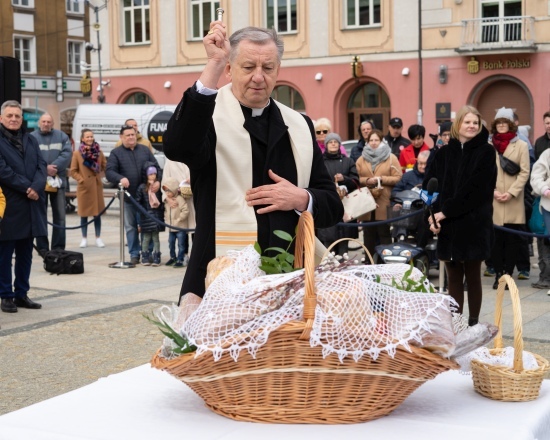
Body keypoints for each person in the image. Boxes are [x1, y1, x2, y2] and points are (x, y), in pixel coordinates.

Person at [163, 24, 343, 299]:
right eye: (248, 67)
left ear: (278, 70)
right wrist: (213, 63)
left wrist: (301, 198)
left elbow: (332, 206)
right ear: (229, 69)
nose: (259, 77)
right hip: (216, 274)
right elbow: (177, 147)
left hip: (288, 279)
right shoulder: (208, 119)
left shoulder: (299, 125)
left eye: (268, 68)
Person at [423, 105, 497, 326]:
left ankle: (474, 324)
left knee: (473, 275)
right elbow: (430, 186)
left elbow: (476, 190)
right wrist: (433, 218)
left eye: (476, 122)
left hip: (474, 223)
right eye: (468, 122)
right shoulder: (444, 153)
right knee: (453, 276)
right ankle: (456, 324)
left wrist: (445, 212)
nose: (472, 126)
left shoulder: (486, 152)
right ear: (458, 125)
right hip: (448, 225)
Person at [0, 100, 47, 313]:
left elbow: (41, 165)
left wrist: (36, 186)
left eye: (17, 116)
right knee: (4, 255)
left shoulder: (30, 139)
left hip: (31, 205)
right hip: (9, 206)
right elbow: (3, 171)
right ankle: (6, 296)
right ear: (1, 118)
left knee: (26, 254)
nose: (13, 119)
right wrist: (27, 187)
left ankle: (21, 293)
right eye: (9, 115)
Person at [106, 124, 162, 265]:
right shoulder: (116, 153)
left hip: (145, 198)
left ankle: (147, 253)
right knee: (131, 227)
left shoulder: (144, 150)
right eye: (128, 135)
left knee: (147, 226)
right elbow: (109, 172)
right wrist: (120, 178)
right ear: (121, 137)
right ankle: (134, 254)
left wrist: (158, 181)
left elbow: (156, 168)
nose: (131, 137)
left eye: (133, 134)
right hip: (128, 197)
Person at [489, 107, 530, 288]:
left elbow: (525, 172)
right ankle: (498, 273)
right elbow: (484, 172)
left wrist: (511, 192)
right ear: (495, 125)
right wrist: (493, 191)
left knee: (513, 241)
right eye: (499, 123)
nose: (502, 125)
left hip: (513, 200)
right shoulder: (489, 146)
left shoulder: (521, 145)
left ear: (511, 125)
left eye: (505, 122)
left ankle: (508, 274)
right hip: (495, 199)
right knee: (496, 241)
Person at [355, 129, 402, 257]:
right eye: (371, 140)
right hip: (367, 201)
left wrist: (382, 179)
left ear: (381, 141)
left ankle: (386, 260)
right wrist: (367, 180)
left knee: (384, 233)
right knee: (368, 234)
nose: (374, 143)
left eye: (377, 140)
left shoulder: (391, 157)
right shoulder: (361, 159)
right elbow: (355, 178)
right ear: (367, 142)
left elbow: (398, 177)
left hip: (384, 199)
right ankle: (368, 260)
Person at [31, 113, 72, 254]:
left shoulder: (62, 136)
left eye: (49, 121)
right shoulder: (32, 138)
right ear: (39, 123)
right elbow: (30, 156)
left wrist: (53, 167)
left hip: (58, 182)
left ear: (53, 123)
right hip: (39, 182)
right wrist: (45, 168)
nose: (46, 124)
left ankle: (58, 247)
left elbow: (67, 154)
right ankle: (42, 247)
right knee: (40, 216)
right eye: (43, 121)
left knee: (60, 216)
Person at [316, 133, 359, 256]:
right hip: (327, 205)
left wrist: (344, 179)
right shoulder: (320, 162)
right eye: (330, 142)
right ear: (326, 145)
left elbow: (355, 182)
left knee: (343, 246)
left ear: (340, 145)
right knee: (327, 249)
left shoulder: (348, 161)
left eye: (335, 142)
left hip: (345, 207)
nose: (333, 144)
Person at [70, 128, 107, 248]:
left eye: (91, 136)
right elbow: (73, 171)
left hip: (96, 186)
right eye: (87, 137)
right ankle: (84, 238)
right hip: (84, 187)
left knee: (97, 214)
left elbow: (104, 166)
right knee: (84, 214)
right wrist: (82, 180)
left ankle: (98, 238)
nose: (90, 139)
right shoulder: (77, 153)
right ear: (82, 139)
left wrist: (100, 171)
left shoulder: (99, 152)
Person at [162, 158, 195, 267]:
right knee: (182, 231)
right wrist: (167, 198)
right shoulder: (170, 161)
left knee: (195, 229)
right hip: (176, 201)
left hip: (193, 199)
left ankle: (195, 255)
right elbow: (165, 181)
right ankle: (182, 256)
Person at [136, 164, 164, 266]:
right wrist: (144, 212)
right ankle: (145, 256)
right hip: (146, 217)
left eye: (154, 174)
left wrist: (160, 211)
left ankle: (157, 255)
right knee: (146, 238)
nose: (152, 176)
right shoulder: (142, 188)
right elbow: (138, 202)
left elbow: (161, 200)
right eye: (150, 174)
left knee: (156, 238)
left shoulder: (157, 187)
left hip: (156, 216)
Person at [530, 149, 550, 291]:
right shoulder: (547, 154)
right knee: (545, 242)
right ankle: (545, 277)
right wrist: (545, 189)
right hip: (548, 205)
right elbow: (536, 176)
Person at [162, 176, 190, 268]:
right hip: (171, 227)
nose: (167, 193)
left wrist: (179, 219)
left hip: (180, 226)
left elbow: (185, 210)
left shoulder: (179, 199)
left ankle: (180, 259)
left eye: (169, 191)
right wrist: (166, 219)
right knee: (171, 243)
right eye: (166, 191)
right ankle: (172, 257)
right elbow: (166, 211)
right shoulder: (167, 201)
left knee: (181, 244)